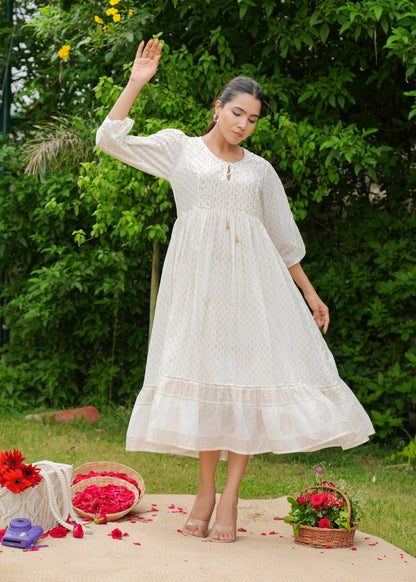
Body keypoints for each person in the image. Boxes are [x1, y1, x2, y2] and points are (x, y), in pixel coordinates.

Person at [96, 39, 374, 543]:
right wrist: (137, 82)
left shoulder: (260, 170)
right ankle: (204, 493)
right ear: (218, 108)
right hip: (196, 290)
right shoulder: (179, 149)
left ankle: (230, 498)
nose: (243, 124)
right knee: (206, 381)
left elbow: (283, 240)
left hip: (252, 289)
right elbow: (109, 138)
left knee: (245, 381)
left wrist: (311, 295)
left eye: (252, 119)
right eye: (237, 113)